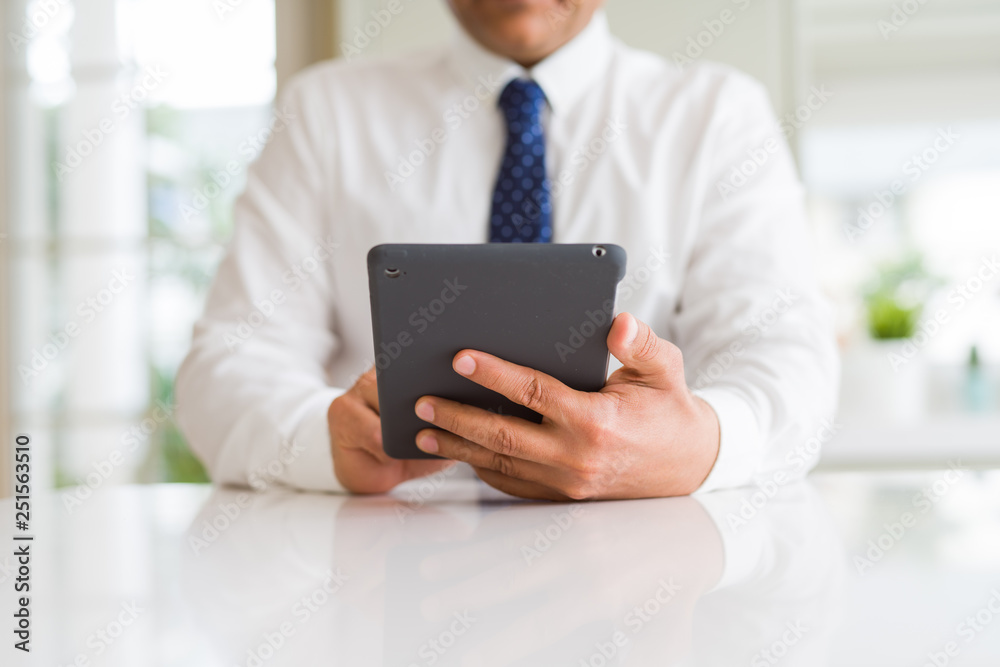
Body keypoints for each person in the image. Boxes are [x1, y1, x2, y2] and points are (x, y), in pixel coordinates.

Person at [176, 0, 839, 500]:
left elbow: (786, 361)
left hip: (639, 568)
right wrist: (324, 437)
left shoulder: (717, 116)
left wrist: (698, 442)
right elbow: (225, 368)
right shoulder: (326, 113)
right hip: (387, 567)